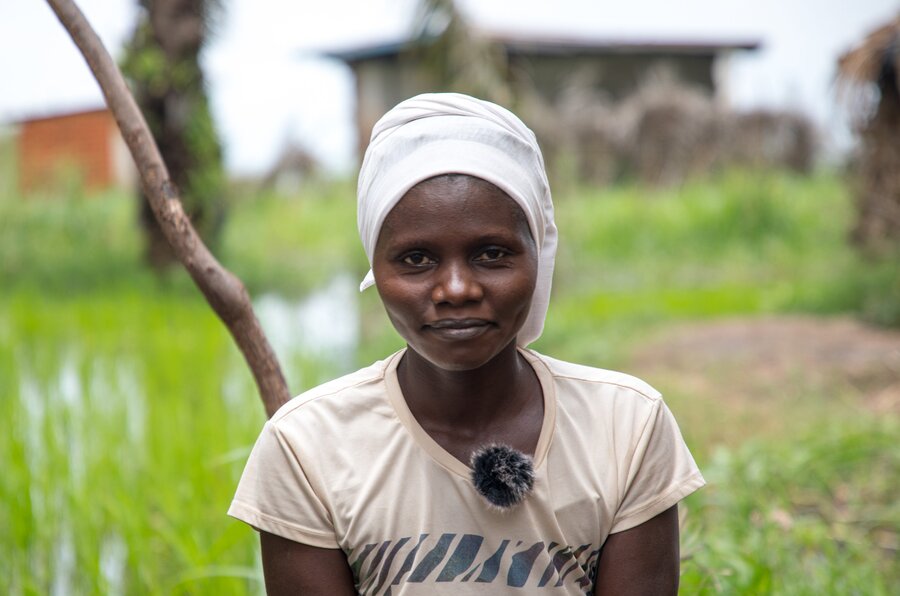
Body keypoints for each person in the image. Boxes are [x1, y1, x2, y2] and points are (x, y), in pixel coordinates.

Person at [228, 93, 705, 595]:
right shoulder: (307, 448)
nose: (456, 289)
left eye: (491, 253)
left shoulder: (626, 428)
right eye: (416, 259)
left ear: (538, 257)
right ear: (377, 268)